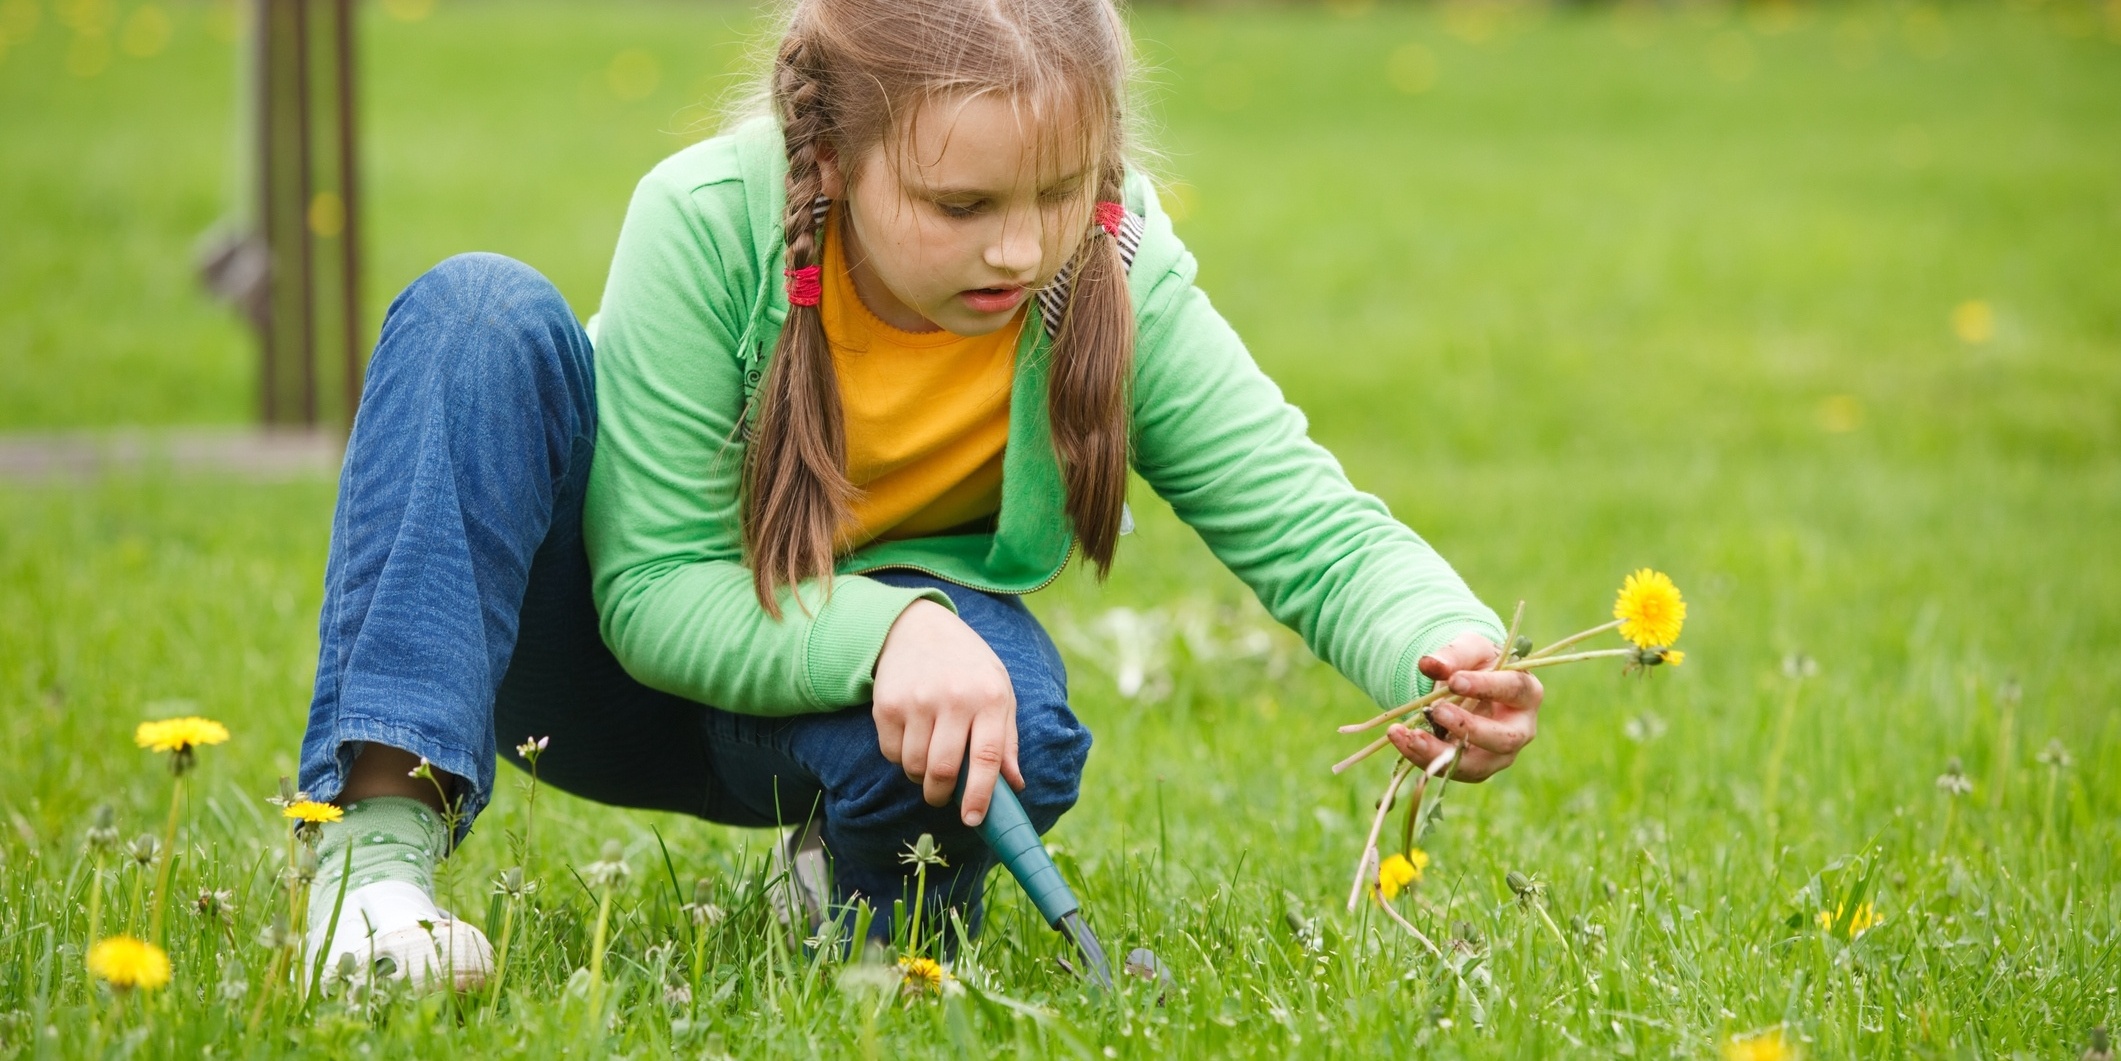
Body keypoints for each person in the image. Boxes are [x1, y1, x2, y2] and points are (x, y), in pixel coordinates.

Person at [296, 0, 1544, 989]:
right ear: (829, 157)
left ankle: (858, 905)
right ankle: (372, 877)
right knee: (476, 308)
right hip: (577, 661)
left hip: (825, 697)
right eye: (962, 206)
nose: (1019, 247)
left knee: (1030, 718)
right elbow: (654, 589)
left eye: (1061, 193)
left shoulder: (1102, 263)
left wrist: (1434, 643)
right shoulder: (703, 217)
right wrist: (889, 627)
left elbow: (1304, 520)